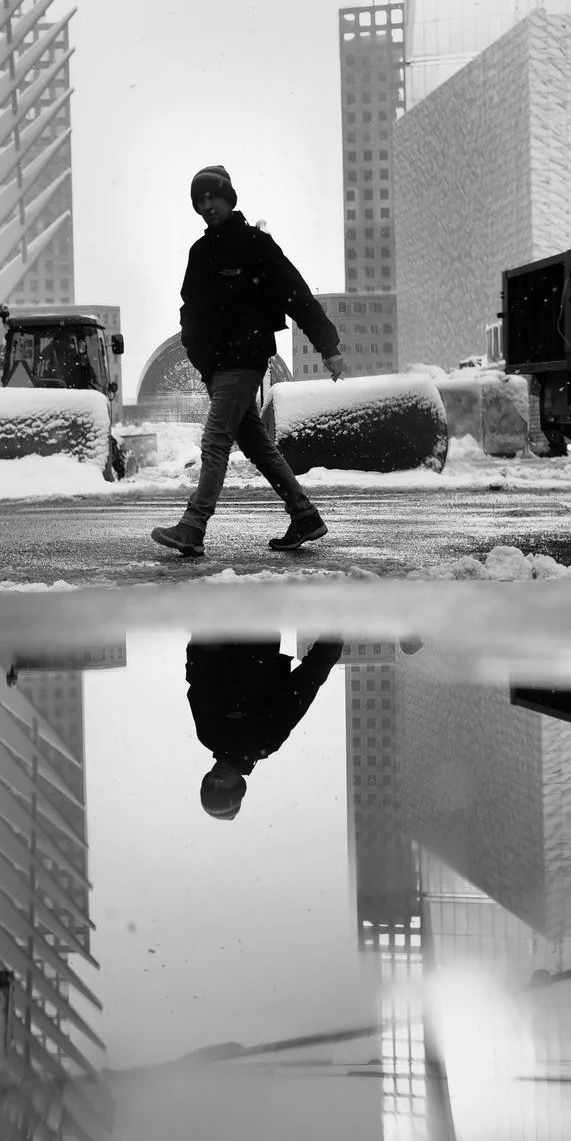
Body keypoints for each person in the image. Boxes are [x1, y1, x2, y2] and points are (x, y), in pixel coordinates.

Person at [152, 165, 345, 558]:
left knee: (215, 441)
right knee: (257, 446)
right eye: (200, 201)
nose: (207, 207)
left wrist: (329, 346)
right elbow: (190, 311)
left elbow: (296, 294)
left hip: (245, 362)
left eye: (213, 198)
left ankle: (193, 525)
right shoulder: (201, 252)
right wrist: (199, 355)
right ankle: (305, 515)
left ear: (229, 198)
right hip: (217, 367)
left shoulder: (256, 245)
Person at [188, 636, 343, 819]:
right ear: (239, 785)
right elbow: (307, 682)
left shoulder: (208, 735)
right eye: (222, 788)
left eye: (209, 784)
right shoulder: (265, 740)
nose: (216, 780)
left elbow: (197, 679)